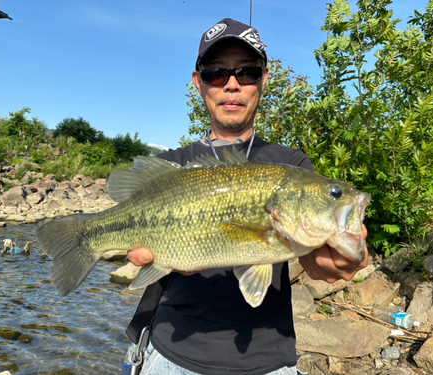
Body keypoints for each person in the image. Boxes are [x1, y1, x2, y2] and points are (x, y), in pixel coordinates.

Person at [124, 18, 369, 375]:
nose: (232, 85)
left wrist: (337, 257)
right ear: (198, 83)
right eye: (216, 74)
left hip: (268, 359)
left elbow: (317, 262)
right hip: (171, 350)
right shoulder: (171, 166)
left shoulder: (292, 164)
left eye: (248, 72)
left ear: (264, 80)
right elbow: (141, 259)